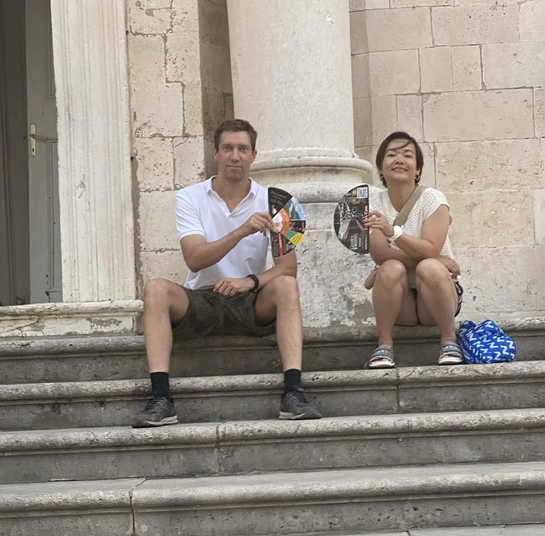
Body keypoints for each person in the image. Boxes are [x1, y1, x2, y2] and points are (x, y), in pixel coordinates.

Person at [132, 118, 321, 427]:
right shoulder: (189, 197)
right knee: (155, 289)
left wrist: (250, 282)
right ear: (215, 153)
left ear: (254, 155)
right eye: (228, 148)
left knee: (286, 286)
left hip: (251, 300)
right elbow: (194, 259)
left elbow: (289, 269)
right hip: (203, 297)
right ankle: (161, 398)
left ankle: (292, 393)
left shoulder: (279, 202)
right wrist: (242, 230)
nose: (236, 156)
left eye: (243, 149)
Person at [363, 131, 463, 369]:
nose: (399, 159)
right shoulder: (372, 203)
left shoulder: (432, 199)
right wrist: (436, 257)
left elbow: (429, 249)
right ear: (380, 168)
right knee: (390, 267)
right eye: (391, 154)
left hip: (437, 298)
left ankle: (449, 340)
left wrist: (393, 233)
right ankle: (384, 346)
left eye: (407, 155)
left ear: (417, 170)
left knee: (430, 267)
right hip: (400, 302)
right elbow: (380, 254)